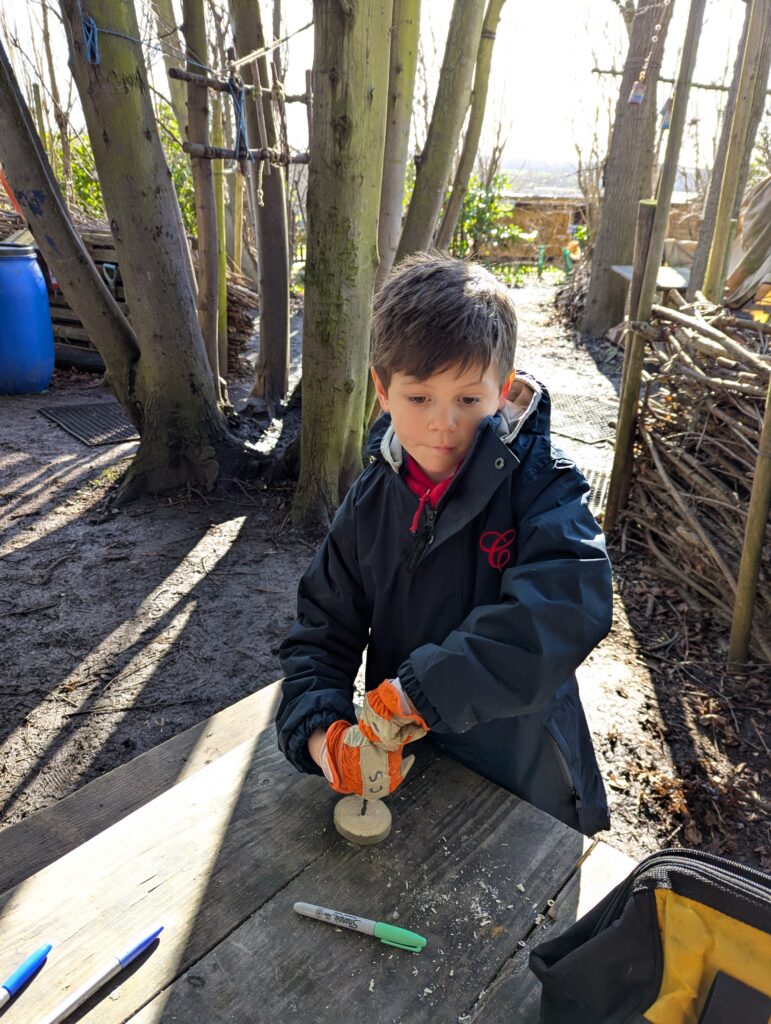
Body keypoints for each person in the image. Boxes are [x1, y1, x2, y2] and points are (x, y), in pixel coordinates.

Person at [275, 252, 612, 836]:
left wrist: (420, 692)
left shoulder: (544, 485)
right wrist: (320, 734)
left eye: (468, 399)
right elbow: (320, 630)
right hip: (412, 769)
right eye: (419, 398)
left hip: (527, 782)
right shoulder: (372, 498)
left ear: (502, 390)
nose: (443, 424)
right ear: (383, 391)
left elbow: (563, 611)